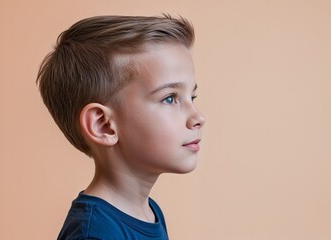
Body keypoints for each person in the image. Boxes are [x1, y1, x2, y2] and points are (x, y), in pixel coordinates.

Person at [36, 14, 205, 240]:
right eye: (170, 98)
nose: (198, 117)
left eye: (191, 96)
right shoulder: (95, 235)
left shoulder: (148, 212)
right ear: (103, 125)